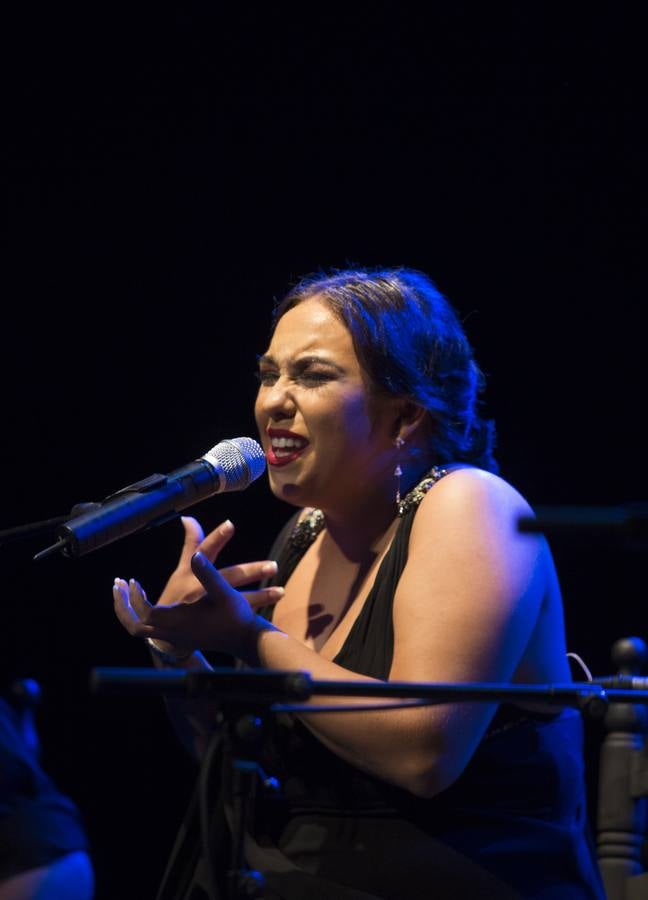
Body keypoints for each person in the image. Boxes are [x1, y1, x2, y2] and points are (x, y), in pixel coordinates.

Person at [113, 268, 605, 899]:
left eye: (312, 375)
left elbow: (422, 754)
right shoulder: (304, 535)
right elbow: (237, 766)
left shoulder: (472, 506)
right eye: (268, 374)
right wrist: (176, 649)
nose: (272, 402)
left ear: (406, 414)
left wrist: (251, 639)